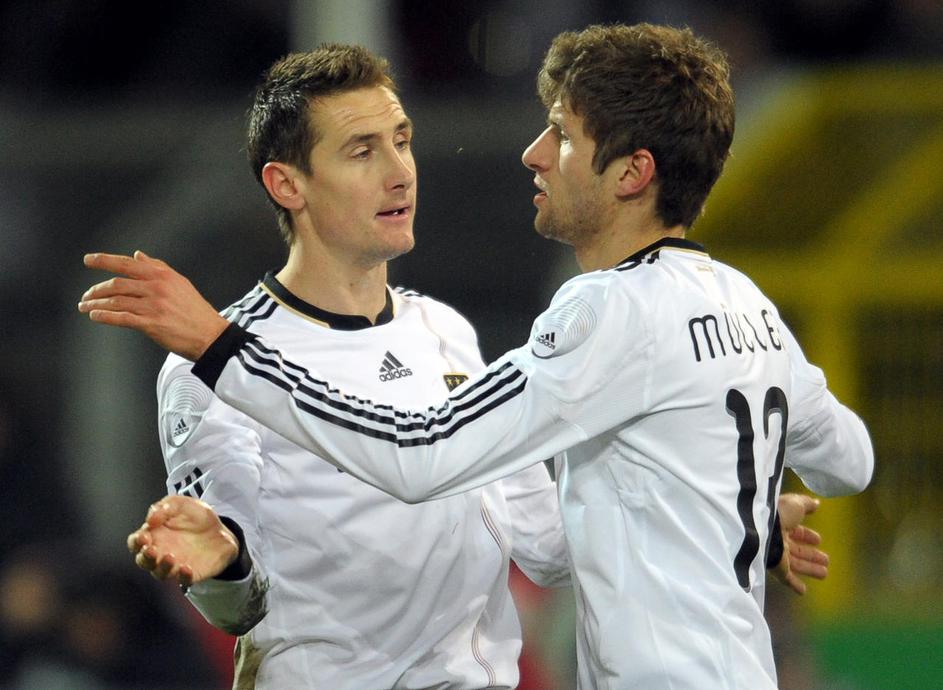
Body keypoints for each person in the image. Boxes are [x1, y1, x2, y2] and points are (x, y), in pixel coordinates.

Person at [77, 26, 856, 689]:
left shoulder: (444, 331)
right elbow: (234, 601)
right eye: (361, 151)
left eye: (402, 141)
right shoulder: (210, 363)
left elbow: (547, 545)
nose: (398, 171)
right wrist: (222, 563)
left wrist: (721, 511)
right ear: (288, 185)